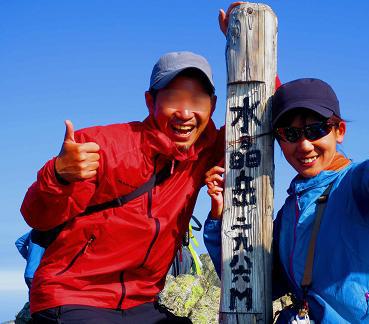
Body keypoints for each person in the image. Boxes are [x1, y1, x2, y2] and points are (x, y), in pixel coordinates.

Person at [204, 78, 369, 323]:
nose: (303, 145)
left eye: (316, 130)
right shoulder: (290, 210)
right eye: (289, 134)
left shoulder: (355, 184)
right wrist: (221, 219)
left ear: (339, 131)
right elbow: (266, 283)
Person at [21, 51, 224, 323]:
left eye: (197, 100)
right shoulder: (101, 146)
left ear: (212, 105)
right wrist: (59, 175)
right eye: (173, 99)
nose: (185, 113)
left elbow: (262, 121)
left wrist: (248, 48)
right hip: (73, 295)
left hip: (142, 303)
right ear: (150, 101)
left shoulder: (203, 152)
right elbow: (37, 216)